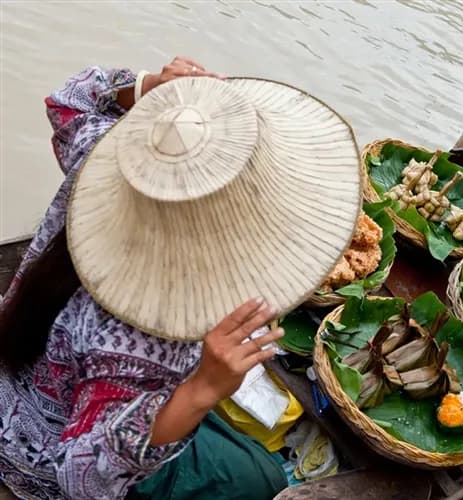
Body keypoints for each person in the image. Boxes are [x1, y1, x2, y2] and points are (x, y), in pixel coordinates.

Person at [0, 56, 361, 499]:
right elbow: (82, 480)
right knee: (259, 476)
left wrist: (147, 85)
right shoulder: (149, 336)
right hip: (32, 457)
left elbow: (69, 99)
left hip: (19, 370)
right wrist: (201, 390)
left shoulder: (102, 151)